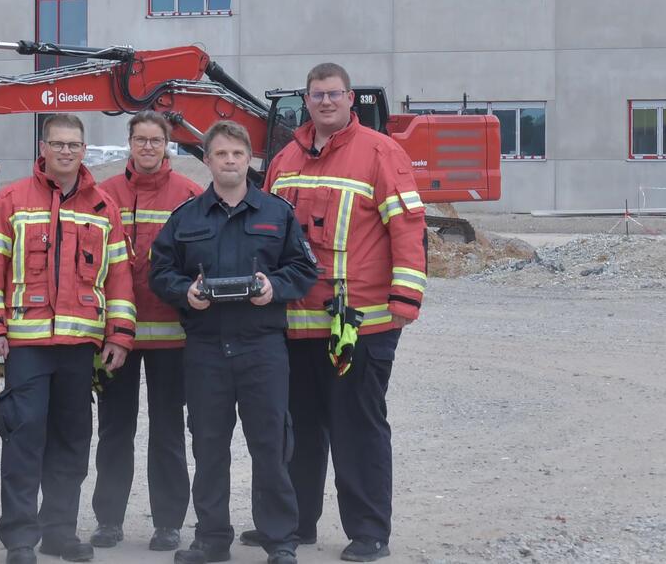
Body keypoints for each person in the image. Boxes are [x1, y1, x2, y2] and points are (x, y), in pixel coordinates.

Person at [246, 63, 428, 562]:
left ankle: (369, 532)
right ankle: (297, 524)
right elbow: (266, 235)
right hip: (295, 323)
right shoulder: (285, 158)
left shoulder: (381, 152)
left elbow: (409, 226)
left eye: (334, 94)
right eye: (317, 95)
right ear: (306, 100)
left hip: (360, 324)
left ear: (350, 99)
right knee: (298, 429)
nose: (325, 102)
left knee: (357, 427)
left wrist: (405, 299)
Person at [149, 120, 318, 564]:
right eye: (220, 154)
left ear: (248, 160)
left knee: (270, 447)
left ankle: (279, 539)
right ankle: (211, 538)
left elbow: (303, 270)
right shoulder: (185, 218)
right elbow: (160, 272)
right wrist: (184, 293)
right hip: (206, 350)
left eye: (237, 154)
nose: (229, 161)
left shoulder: (277, 214)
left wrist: (273, 287)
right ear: (207, 160)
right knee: (208, 447)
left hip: (262, 348)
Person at [0, 114, 136, 564]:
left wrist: (119, 335)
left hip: (80, 347)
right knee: (24, 440)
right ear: (43, 147)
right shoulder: (10, 200)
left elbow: (119, 277)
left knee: (72, 441)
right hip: (25, 345)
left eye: (74, 144)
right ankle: (22, 539)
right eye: (58, 144)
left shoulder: (103, 208)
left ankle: (60, 532)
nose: (66, 151)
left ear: (84, 150)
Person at [90, 113, 203, 553]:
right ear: (130, 143)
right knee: (114, 430)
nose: (149, 147)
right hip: (118, 337)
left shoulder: (191, 196)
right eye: (141, 139)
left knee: (168, 431)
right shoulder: (105, 195)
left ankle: (168, 524)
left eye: (156, 140)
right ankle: (109, 521)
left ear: (168, 145)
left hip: (173, 337)